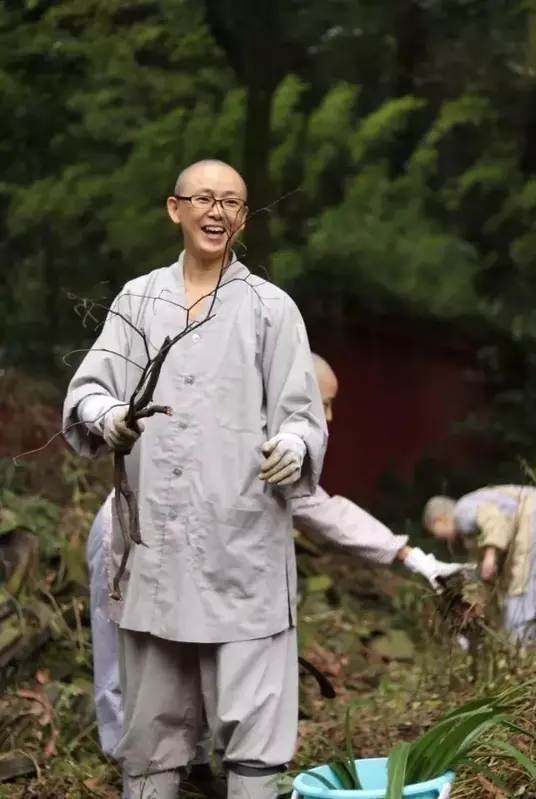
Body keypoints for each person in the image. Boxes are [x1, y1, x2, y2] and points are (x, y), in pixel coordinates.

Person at [86, 352, 472, 795]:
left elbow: (324, 510)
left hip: (193, 557)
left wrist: (412, 557)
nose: (329, 415)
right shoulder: (235, 421)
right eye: (325, 402)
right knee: (126, 653)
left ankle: (191, 766)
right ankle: (131, 766)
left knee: (193, 652)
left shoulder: (280, 442)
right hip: (133, 534)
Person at [63, 159, 329, 799]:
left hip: (241, 542)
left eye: (233, 203)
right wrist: (111, 416)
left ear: (243, 217)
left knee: (253, 725)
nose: (218, 212)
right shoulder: (139, 298)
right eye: (204, 199)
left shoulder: (270, 307)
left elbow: (303, 412)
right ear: (175, 208)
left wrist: (294, 443)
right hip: (153, 541)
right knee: (151, 727)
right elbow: (91, 389)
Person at [422, 483, 536, 650]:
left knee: (520, 607)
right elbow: (485, 573)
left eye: (434, 531)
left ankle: (532, 657)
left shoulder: (462, 511)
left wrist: (491, 556)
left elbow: (495, 520)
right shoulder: (472, 529)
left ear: (440, 519)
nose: (439, 539)